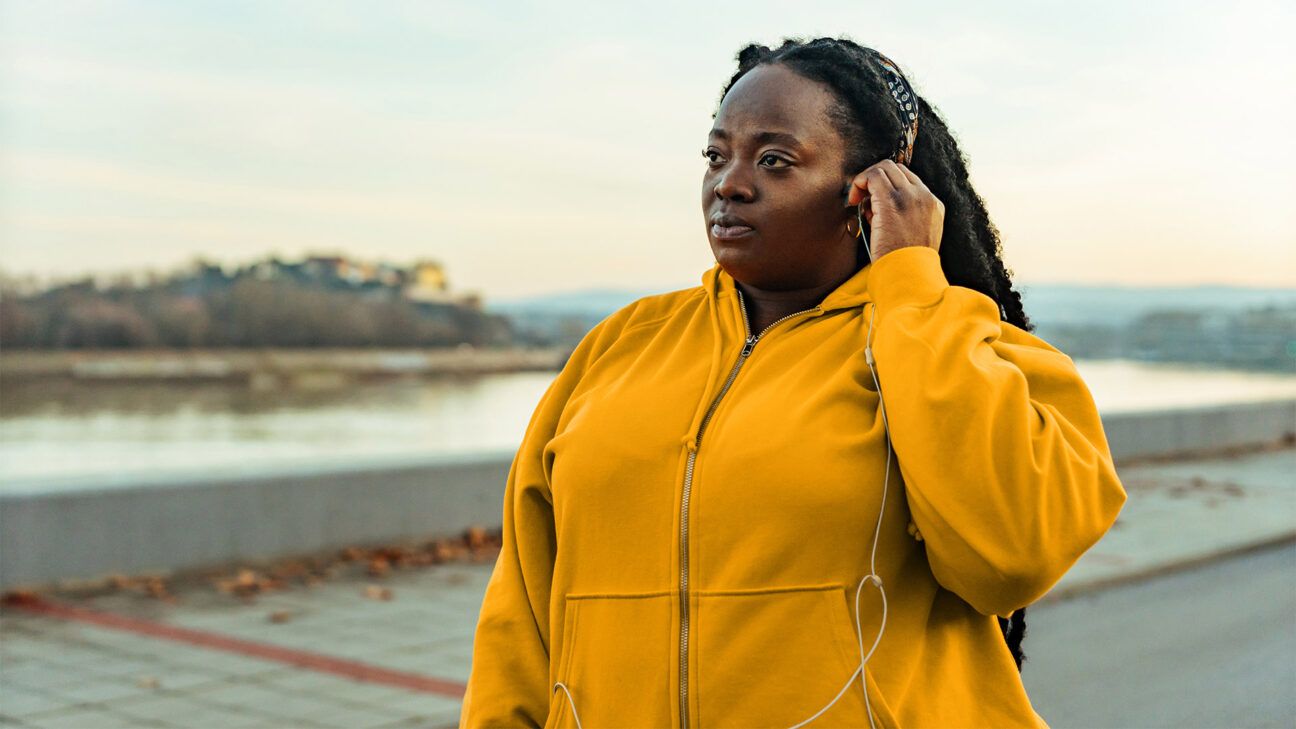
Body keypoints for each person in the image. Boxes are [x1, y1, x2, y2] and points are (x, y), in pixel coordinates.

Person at [458, 36, 1127, 729]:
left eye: (775, 160)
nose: (731, 183)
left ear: (872, 187)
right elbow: (521, 603)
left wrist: (910, 293)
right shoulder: (622, 346)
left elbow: (1010, 555)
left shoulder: (969, 348)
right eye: (717, 155)